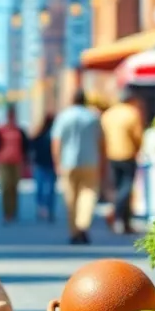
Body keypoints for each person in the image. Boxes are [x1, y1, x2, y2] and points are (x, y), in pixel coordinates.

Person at [52, 89, 104, 244]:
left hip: (68, 162)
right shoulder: (93, 117)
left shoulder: (63, 116)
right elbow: (101, 142)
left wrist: (57, 162)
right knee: (88, 195)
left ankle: (74, 231)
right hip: (90, 161)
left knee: (70, 198)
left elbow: (56, 141)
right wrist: (103, 162)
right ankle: (83, 225)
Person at [100, 90, 144, 235]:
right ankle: (117, 215)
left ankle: (125, 222)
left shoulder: (108, 114)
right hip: (127, 154)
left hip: (111, 154)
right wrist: (138, 149)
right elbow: (137, 136)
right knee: (126, 188)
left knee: (118, 186)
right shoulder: (132, 113)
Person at [0, 106, 29, 223]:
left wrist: (26, 163)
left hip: (17, 162)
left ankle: (14, 211)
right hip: (4, 162)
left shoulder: (19, 131)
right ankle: (6, 212)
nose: (11, 118)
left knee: (14, 187)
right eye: (10, 115)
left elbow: (25, 148)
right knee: (6, 187)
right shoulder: (1, 130)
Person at [30, 112, 57, 222]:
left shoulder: (40, 134)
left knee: (40, 188)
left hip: (40, 163)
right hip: (51, 164)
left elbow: (32, 147)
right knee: (50, 188)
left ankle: (41, 208)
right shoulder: (55, 135)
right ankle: (50, 210)